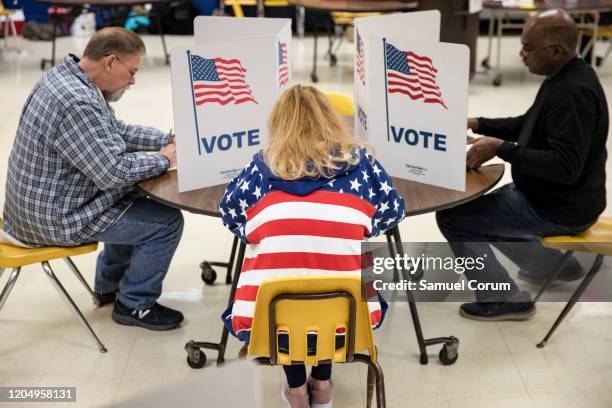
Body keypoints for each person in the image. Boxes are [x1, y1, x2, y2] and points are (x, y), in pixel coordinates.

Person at [219, 85, 405, 408]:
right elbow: (392, 212)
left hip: (270, 318)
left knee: (285, 272)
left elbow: (231, 216)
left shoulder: (260, 169)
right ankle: (322, 384)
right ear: (330, 120)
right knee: (342, 265)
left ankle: (297, 391)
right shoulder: (364, 166)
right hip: (351, 316)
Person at [1, 27, 185, 331]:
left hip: (29, 210)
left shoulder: (67, 78)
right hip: (52, 219)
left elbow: (116, 132)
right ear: (111, 62)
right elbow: (112, 172)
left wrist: (167, 139)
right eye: (132, 71)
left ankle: (108, 287)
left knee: (133, 200)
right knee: (166, 223)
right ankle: (134, 304)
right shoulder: (77, 102)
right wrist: (166, 159)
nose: (133, 81)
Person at [436, 9, 608, 321]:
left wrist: (502, 149)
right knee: (486, 209)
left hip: (560, 208)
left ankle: (506, 299)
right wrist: (478, 123)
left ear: (556, 51)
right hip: (554, 196)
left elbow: (565, 165)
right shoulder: (564, 76)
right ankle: (551, 266)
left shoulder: (574, 94)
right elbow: (529, 124)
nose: (521, 54)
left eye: (528, 47)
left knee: (454, 217)